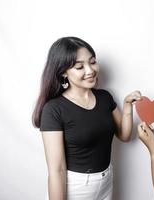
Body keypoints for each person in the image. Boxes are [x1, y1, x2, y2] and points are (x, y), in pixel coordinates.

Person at [32, 36, 141, 200]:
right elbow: (57, 170)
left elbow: (124, 136)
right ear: (63, 72)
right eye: (79, 66)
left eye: (92, 61)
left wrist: (127, 106)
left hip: (106, 182)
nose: (90, 70)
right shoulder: (54, 109)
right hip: (75, 188)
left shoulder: (105, 97)